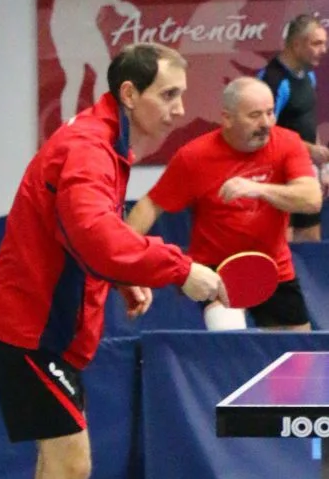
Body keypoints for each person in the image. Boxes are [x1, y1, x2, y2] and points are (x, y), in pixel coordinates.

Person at [0, 43, 224, 479]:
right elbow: (96, 237)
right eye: (168, 95)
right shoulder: (89, 148)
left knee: (58, 462)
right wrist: (179, 270)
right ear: (129, 93)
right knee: (72, 462)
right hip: (29, 330)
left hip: (49, 328)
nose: (180, 109)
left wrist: (120, 274)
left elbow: (80, 232)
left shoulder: (108, 141)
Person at [126, 77, 321, 332]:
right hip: (216, 272)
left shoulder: (288, 143)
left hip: (273, 269)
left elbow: (311, 199)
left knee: (297, 352)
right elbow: (150, 206)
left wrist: (259, 189)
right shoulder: (194, 156)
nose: (266, 123)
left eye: (270, 113)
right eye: (255, 115)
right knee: (228, 338)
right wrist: (122, 255)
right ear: (227, 118)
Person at [260, 14, 329, 244]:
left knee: (311, 242)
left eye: (324, 43)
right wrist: (310, 150)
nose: (323, 50)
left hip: (304, 172)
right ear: (296, 44)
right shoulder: (273, 80)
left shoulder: (309, 75)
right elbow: (265, 133)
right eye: (316, 43)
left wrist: (322, 167)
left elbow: (307, 120)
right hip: (277, 175)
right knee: (282, 245)